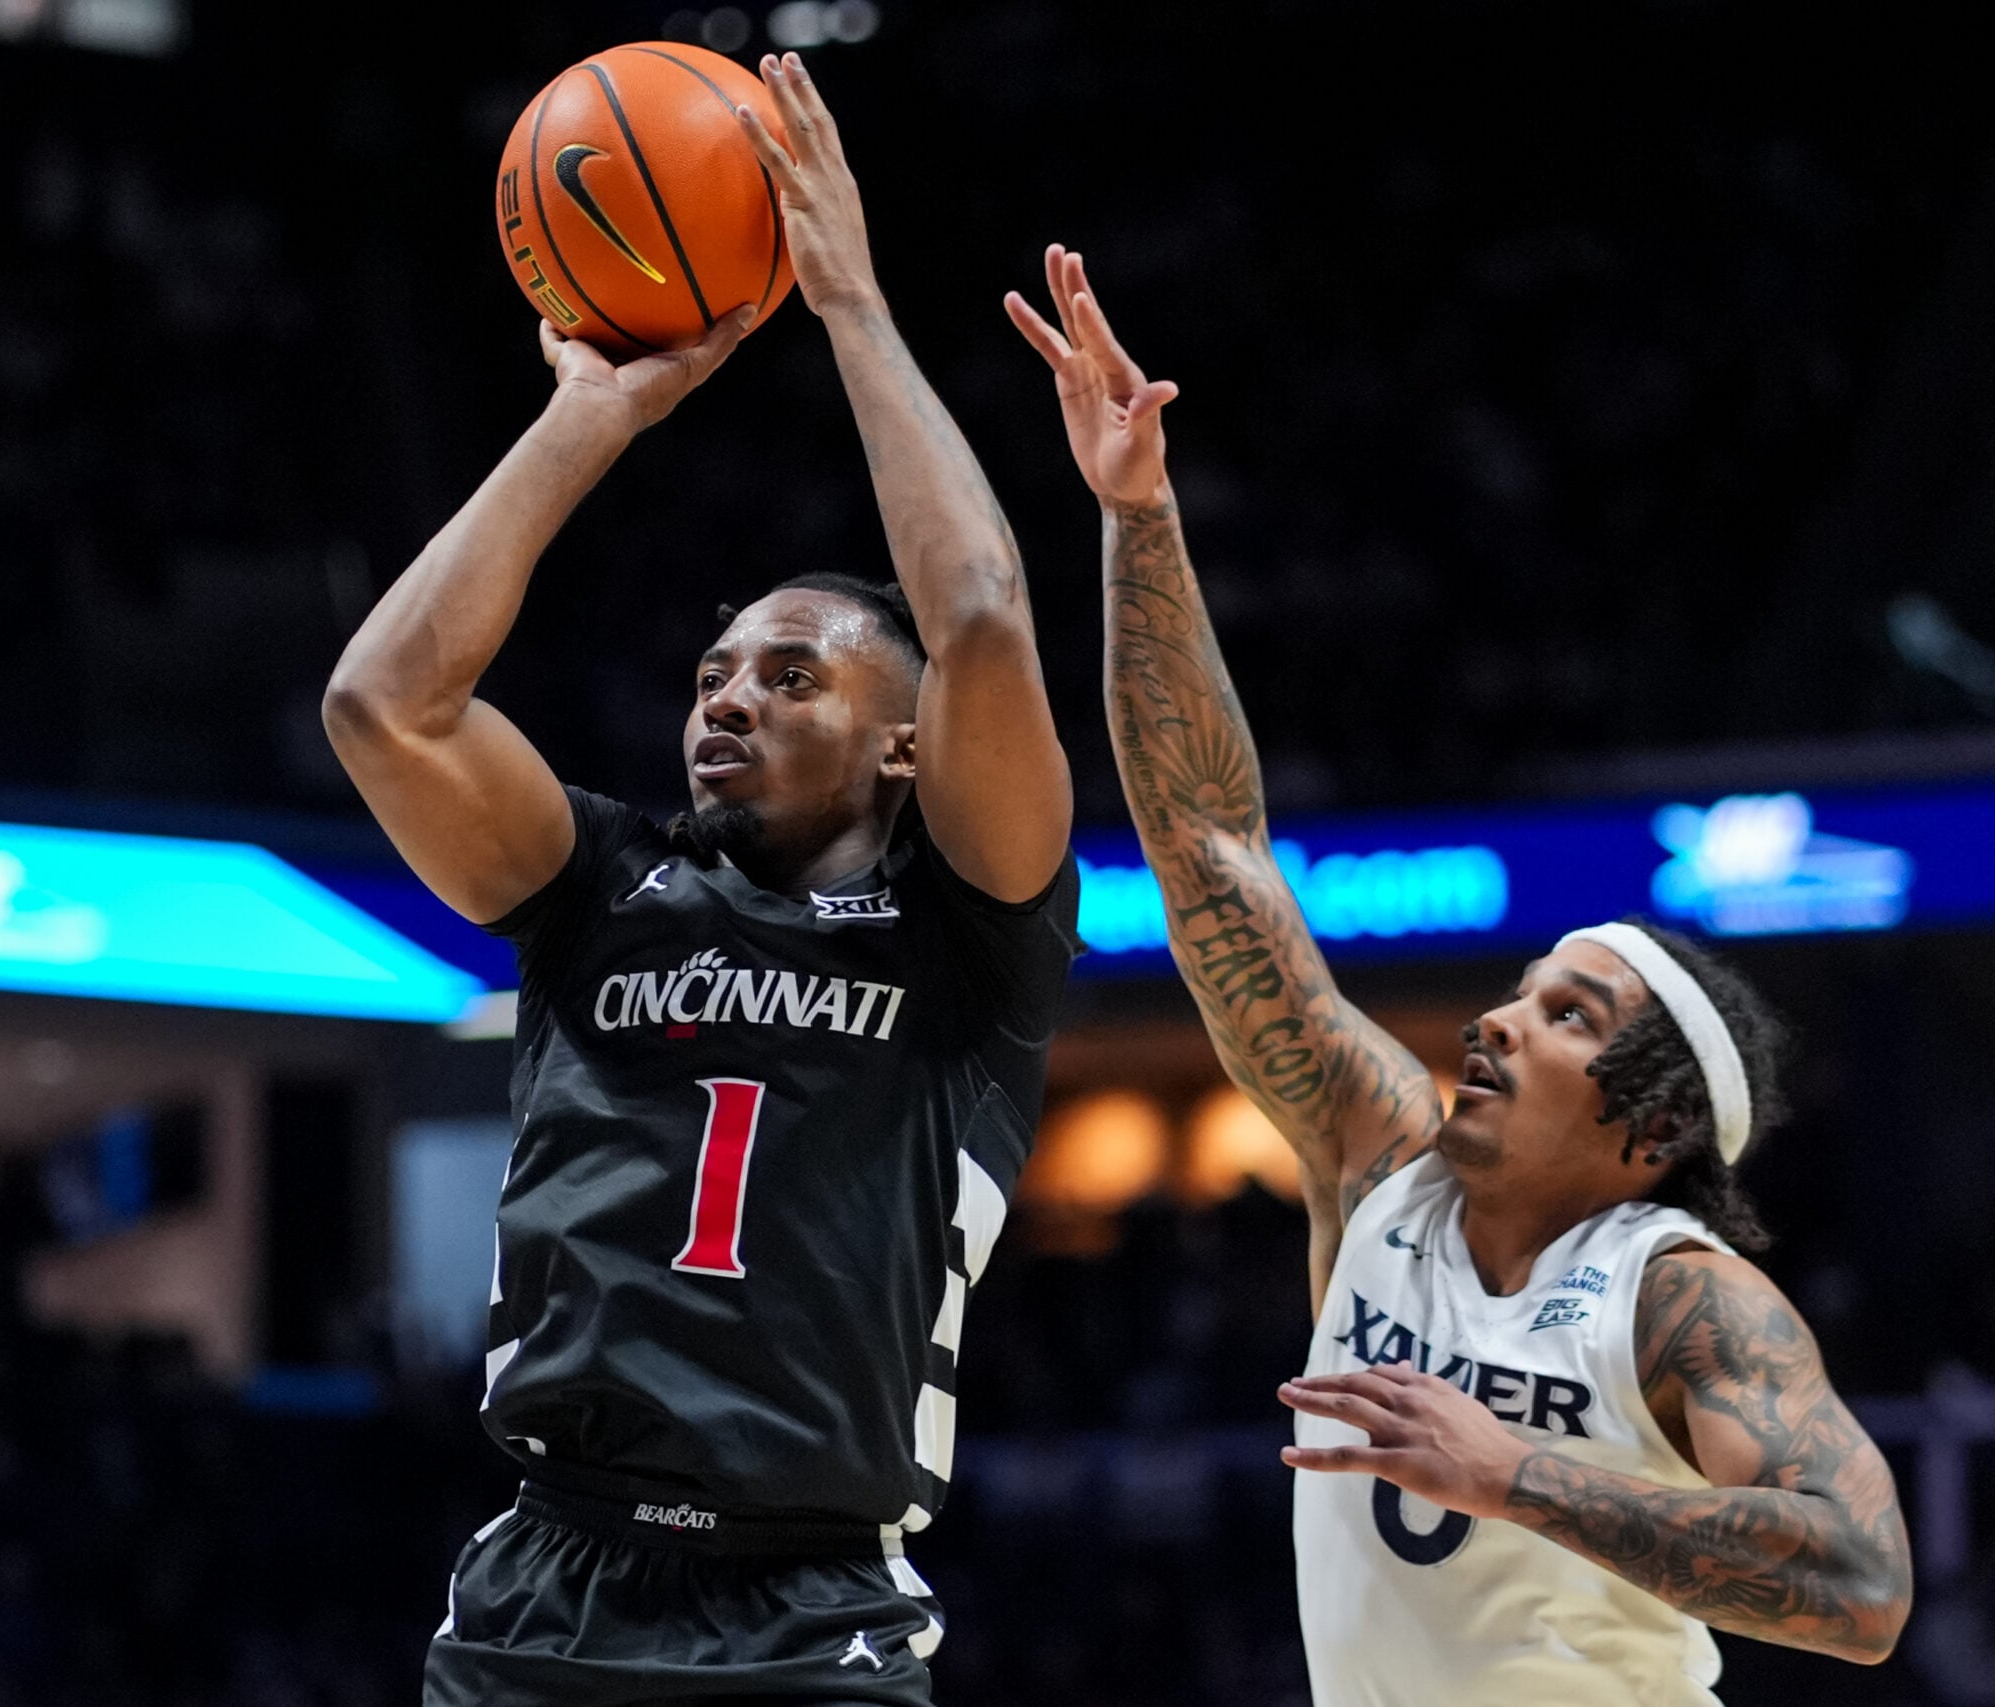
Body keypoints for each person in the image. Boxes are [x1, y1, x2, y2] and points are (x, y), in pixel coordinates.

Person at [1004, 245, 1912, 1704]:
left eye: (1568, 1013)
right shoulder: (1382, 1168)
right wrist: (1137, 515)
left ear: (1652, 1125)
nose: (1497, 1017)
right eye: (1522, 989)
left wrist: (1519, 1473)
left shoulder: (1680, 1295)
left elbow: (1860, 1588)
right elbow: (1210, 845)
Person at [327, 53, 1079, 1706]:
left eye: (793, 677)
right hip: (545, 1580)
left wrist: (854, 309)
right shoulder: (602, 882)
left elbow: (981, 625)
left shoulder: (973, 938)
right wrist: (586, 416)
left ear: (905, 748)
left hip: (812, 1609)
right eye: (714, 674)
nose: (729, 697)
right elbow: (384, 707)